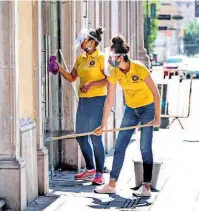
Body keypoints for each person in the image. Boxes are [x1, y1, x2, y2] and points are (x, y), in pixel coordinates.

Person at [93, 35, 161, 197]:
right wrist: (103, 125)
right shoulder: (114, 72)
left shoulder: (139, 68)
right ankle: (112, 184)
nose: (110, 60)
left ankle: (146, 187)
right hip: (131, 109)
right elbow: (109, 101)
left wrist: (157, 118)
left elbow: (156, 93)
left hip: (147, 109)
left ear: (121, 56)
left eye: (112, 57)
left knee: (145, 147)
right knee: (120, 146)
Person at [55, 27, 107, 185]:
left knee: (95, 136)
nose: (81, 44)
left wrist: (92, 84)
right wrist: (58, 66)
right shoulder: (81, 58)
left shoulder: (101, 58)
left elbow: (108, 80)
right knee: (81, 136)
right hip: (84, 101)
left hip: (98, 100)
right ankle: (90, 169)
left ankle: (99, 173)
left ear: (92, 42)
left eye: (83, 40)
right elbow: (72, 77)